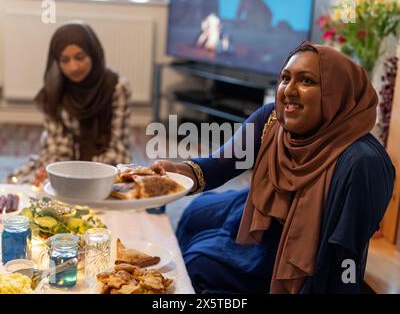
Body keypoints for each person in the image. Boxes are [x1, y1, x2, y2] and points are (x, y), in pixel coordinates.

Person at [151, 41, 395, 294]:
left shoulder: (362, 162)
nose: (289, 90)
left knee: (199, 262)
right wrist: (177, 172)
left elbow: (345, 257)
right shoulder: (273, 119)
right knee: (194, 214)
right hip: (264, 219)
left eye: (307, 81)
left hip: (303, 258)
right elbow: (221, 163)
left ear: (337, 94)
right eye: (285, 78)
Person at [6, 22, 132, 186]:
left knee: (113, 191)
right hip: (63, 163)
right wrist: (58, 174)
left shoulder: (117, 87)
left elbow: (117, 145)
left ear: (93, 54)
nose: (73, 67)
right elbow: (56, 146)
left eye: (80, 57)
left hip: (106, 163)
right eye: (65, 60)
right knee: (17, 185)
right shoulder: (54, 90)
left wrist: (85, 176)